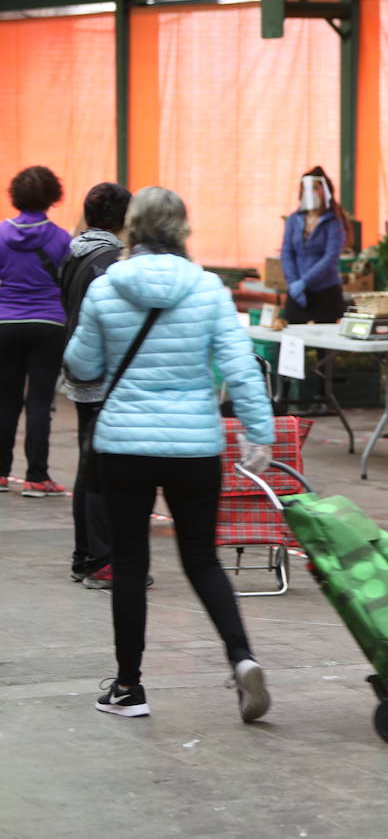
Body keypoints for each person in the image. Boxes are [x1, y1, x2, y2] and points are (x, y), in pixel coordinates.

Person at [65, 186, 276, 722]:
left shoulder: (107, 288)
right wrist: (260, 433)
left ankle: (129, 688)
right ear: (183, 229)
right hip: (195, 447)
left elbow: (82, 366)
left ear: (131, 229)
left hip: (124, 447)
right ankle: (241, 657)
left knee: (131, 565)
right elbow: (240, 365)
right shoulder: (208, 290)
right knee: (202, 559)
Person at [58, 182, 133, 587]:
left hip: (79, 367)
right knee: (104, 470)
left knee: (89, 468)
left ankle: (84, 556)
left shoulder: (74, 250)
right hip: (102, 372)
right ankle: (103, 561)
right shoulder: (109, 260)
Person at [0, 165, 71, 497]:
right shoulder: (61, 238)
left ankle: (1, 473)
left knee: (6, 399)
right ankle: (36, 477)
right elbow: (68, 284)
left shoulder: (1, 233)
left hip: (6, 323)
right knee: (40, 401)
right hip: (48, 324)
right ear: (52, 196)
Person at [280, 166, 348, 324]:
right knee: (290, 341)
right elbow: (286, 252)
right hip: (296, 293)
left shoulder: (334, 222)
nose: (310, 193)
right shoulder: (293, 220)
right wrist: (293, 283)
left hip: (325, 292)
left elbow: (331, 257)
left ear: (325, 191)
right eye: (306, 189)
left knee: (323, 343)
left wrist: (305, 282)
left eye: (315, 188)